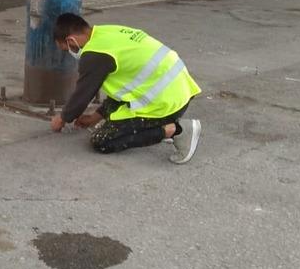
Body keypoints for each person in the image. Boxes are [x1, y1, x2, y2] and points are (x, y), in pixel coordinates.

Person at [50, 13, 203, 162]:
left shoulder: (94, 55)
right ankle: (160, 125)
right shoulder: (107, 32)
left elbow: (82, 95)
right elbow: (124, 90)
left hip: (166, 104)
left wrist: (63, 118)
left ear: (70, 40)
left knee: (102, 140)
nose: (69, 53)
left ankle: (176, 130)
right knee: (114, 122)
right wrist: (94, 117)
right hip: (182, 92)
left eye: (66, 49)